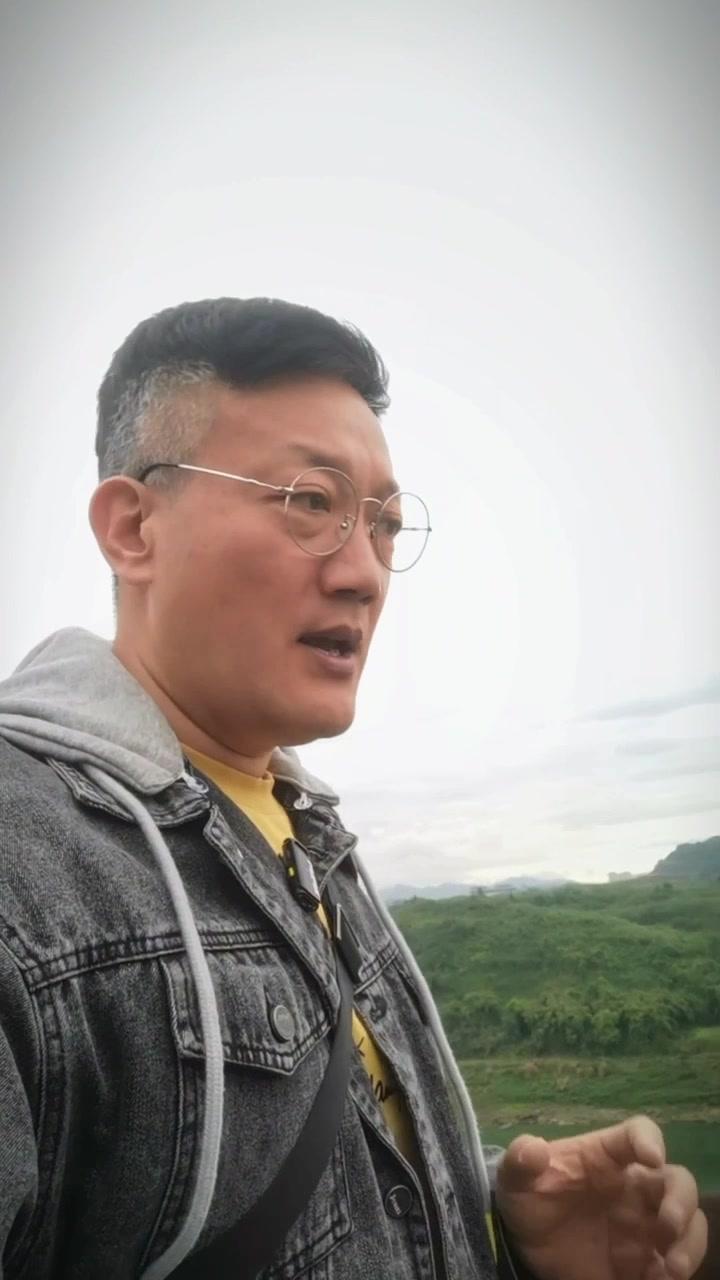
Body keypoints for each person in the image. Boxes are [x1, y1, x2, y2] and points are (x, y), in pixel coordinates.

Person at [0, 297, 706, 1280]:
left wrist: (505, 1233)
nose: (365, 572)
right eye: (309, 500)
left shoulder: (316, 838)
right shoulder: (25, 864)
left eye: (384, 523)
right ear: (133, 528)